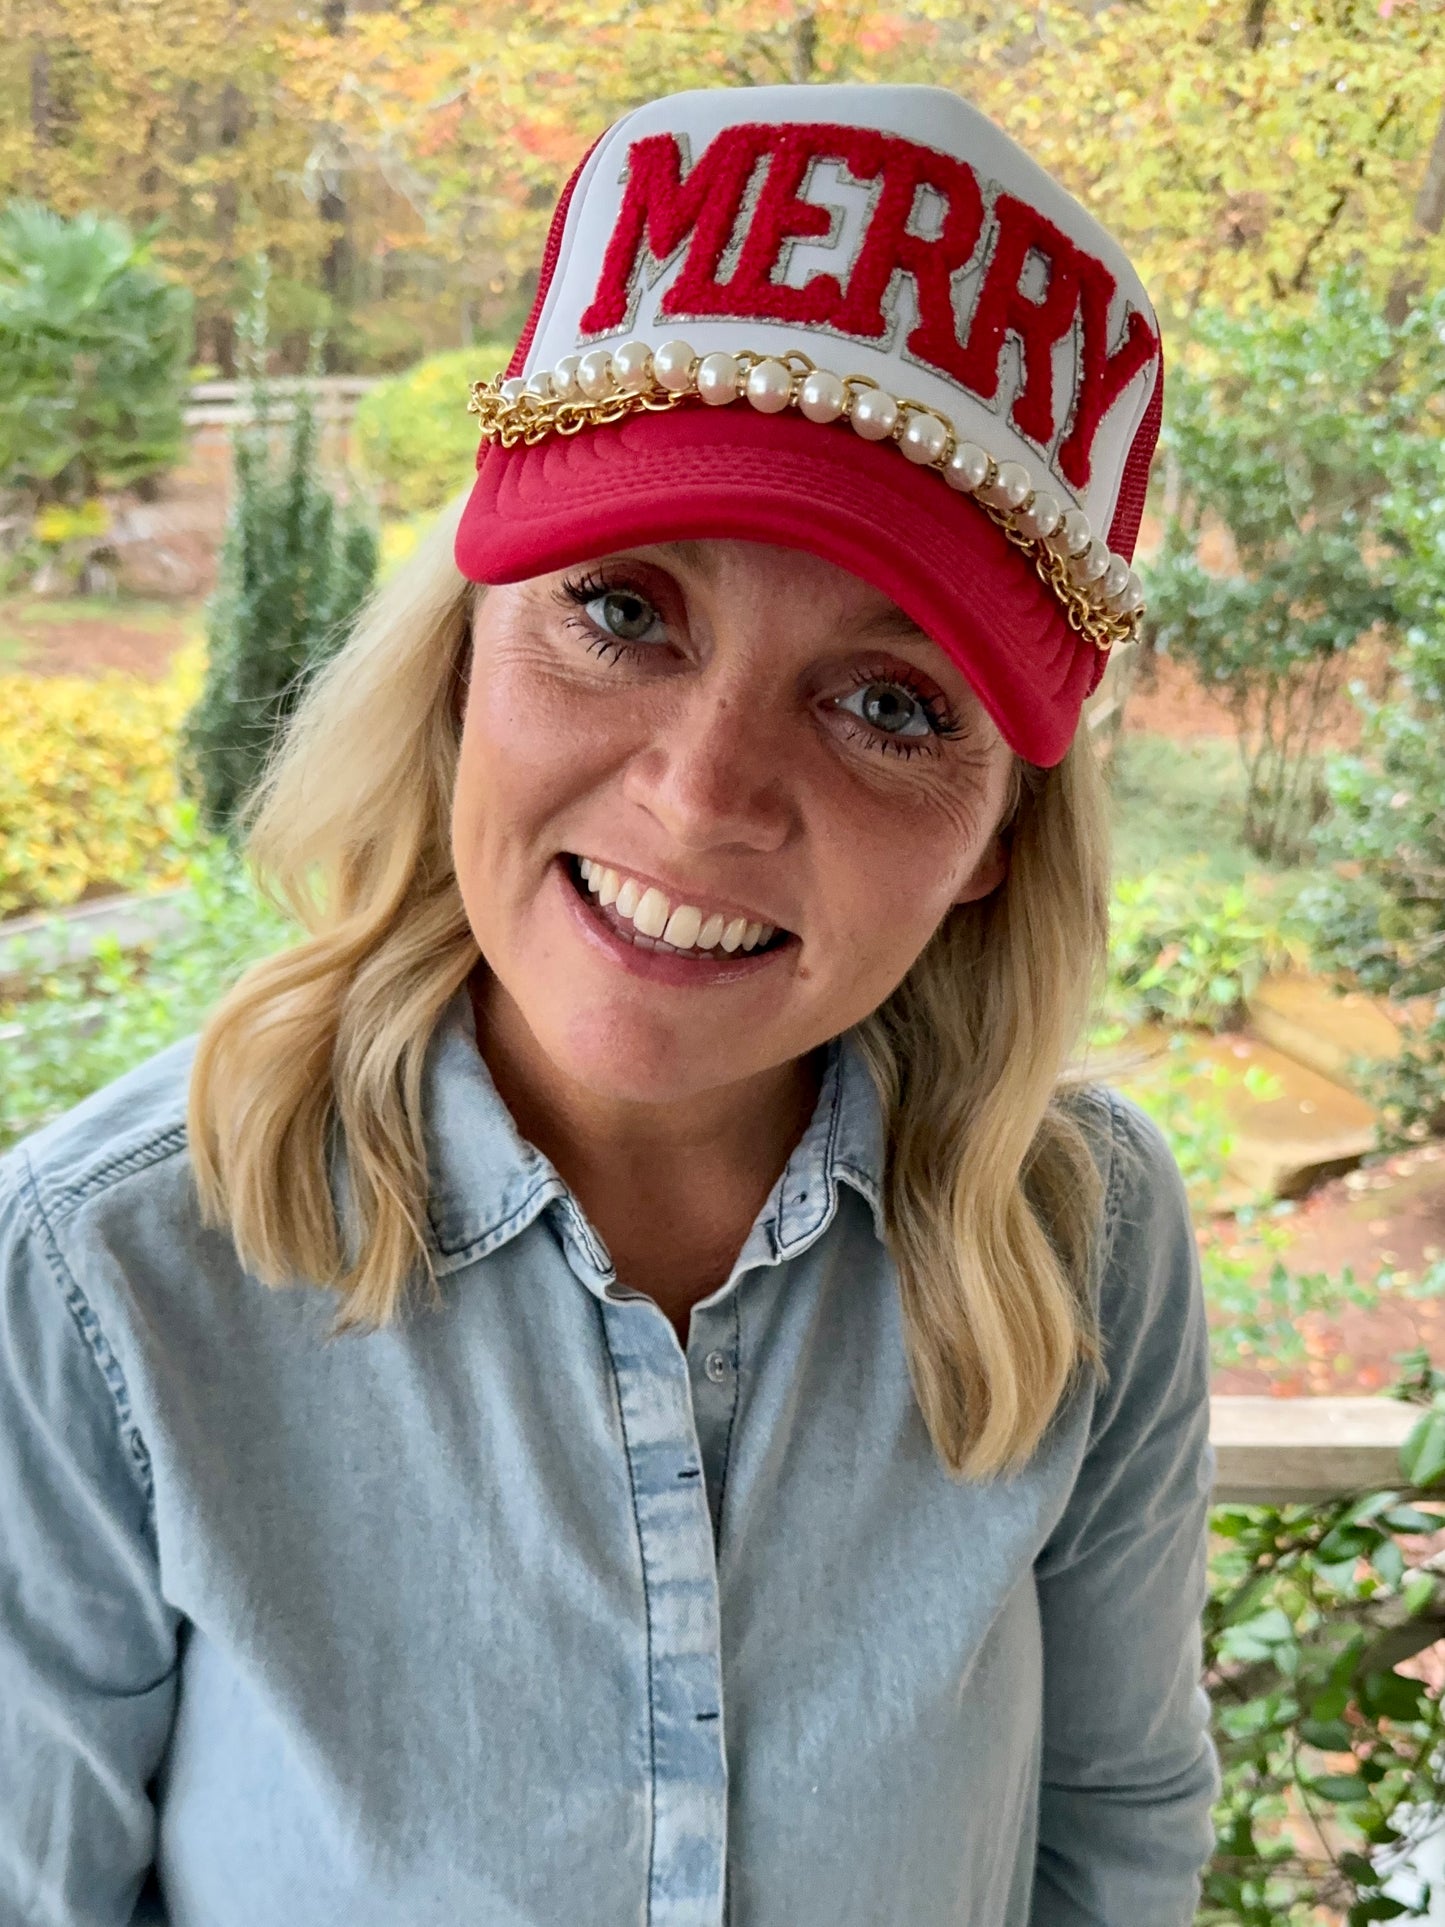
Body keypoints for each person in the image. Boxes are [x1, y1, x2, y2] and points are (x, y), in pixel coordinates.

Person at [0, 81, 1220, 1927]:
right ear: (461, 650)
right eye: (625, 611)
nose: (704, 793)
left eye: (888, 703)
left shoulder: (1086, 1246)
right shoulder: (105, 1280)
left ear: (993, 837)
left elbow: (1113, 1847)